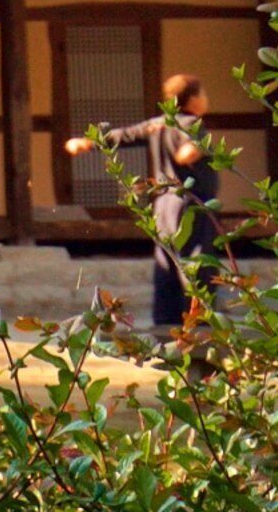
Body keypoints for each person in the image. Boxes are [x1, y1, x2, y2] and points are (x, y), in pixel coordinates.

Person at [66, 74, 224, 338]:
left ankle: (165, 323)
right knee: (196, 261)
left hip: (163, 204)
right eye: (204, 95)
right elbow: (188, 150)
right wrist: (190, 151)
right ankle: (200, 327)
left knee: (167, 261)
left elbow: (123, 135)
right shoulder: (193, 124)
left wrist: (87, 143)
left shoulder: (158, 125)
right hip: (192, 204)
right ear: (194, 99)